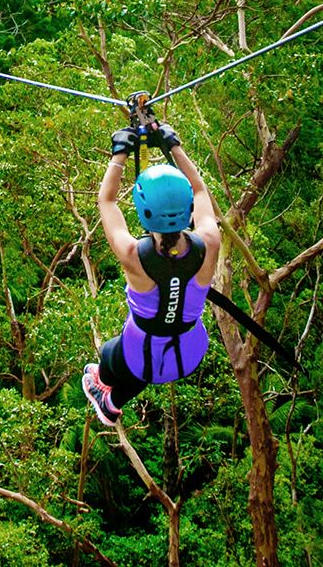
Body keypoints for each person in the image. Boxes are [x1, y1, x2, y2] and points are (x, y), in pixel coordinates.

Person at [81, 120, 222, 426]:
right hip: (189, 351)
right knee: (147, 364)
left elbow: (107, 202)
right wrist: (173, 145)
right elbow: (200, 189)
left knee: (109, 356)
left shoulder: (135, 255)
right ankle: (112, 403)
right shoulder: (208, 243)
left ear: (145, 212)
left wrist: (119, 153)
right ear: (186, 210)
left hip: (140, 352)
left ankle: (102, 389)